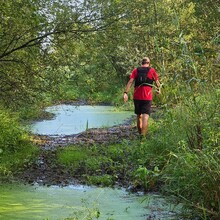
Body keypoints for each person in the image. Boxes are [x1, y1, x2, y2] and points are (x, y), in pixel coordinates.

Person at [123, 57, 161, 138]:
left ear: (141, 63)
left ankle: (140, 134)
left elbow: (130, 81)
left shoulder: (136, 70)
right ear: (149, 63)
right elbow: (157, 82)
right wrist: (159, 90)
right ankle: (143, 138)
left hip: (137, 97)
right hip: (147, 97)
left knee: (139, 116)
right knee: (145, 117)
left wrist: (125, 92)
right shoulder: (152, 70)